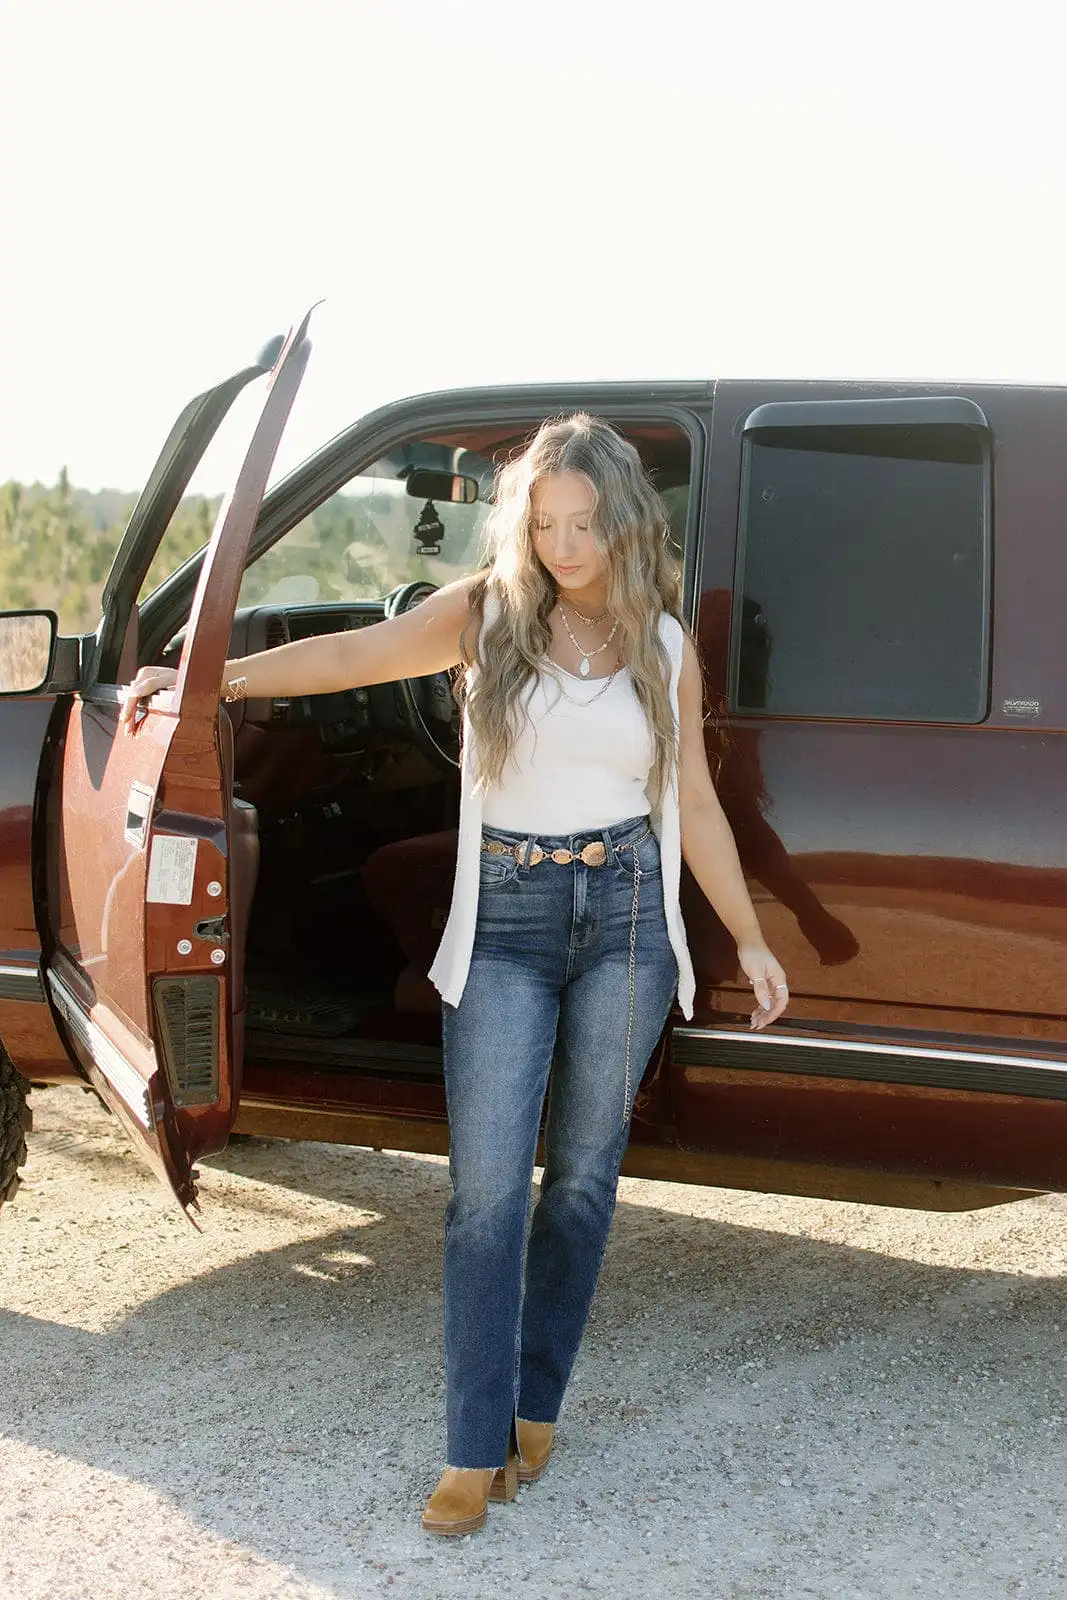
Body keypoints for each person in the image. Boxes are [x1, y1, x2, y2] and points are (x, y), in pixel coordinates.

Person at [121, 414, 789, 1537]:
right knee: (484, 1194)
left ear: (622, 520)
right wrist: (208, 680)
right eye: (544, 522)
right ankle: (472, 1444)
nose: (563, 545)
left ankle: (538, 1399)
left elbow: (694, 808)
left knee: (579, 1178)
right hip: (509, 920)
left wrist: (750, 935)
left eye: (582, 523)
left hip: (625, 914)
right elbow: (347, 659)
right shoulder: (484, 614)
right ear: (520, 523)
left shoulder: (662, 644)